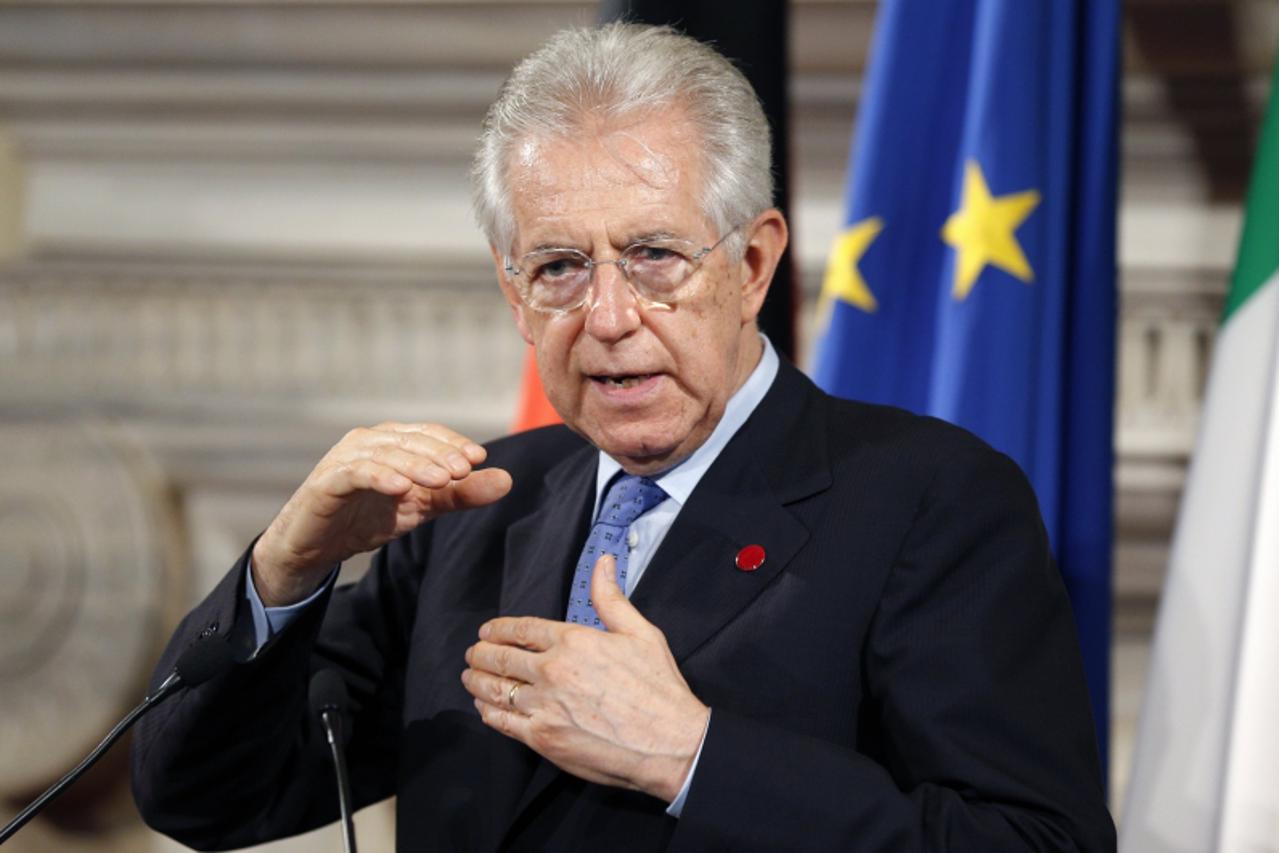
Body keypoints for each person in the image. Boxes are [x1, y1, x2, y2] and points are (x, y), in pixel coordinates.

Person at [131, 23, 1115, 852]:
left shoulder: (927, 499)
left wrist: (691, 757)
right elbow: (203, 797)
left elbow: (1040, 842)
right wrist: (283, 571)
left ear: (756, 263)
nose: (606, 315)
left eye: (652, 255)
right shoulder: (480, 504)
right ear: (513, 292)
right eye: (558, 265)